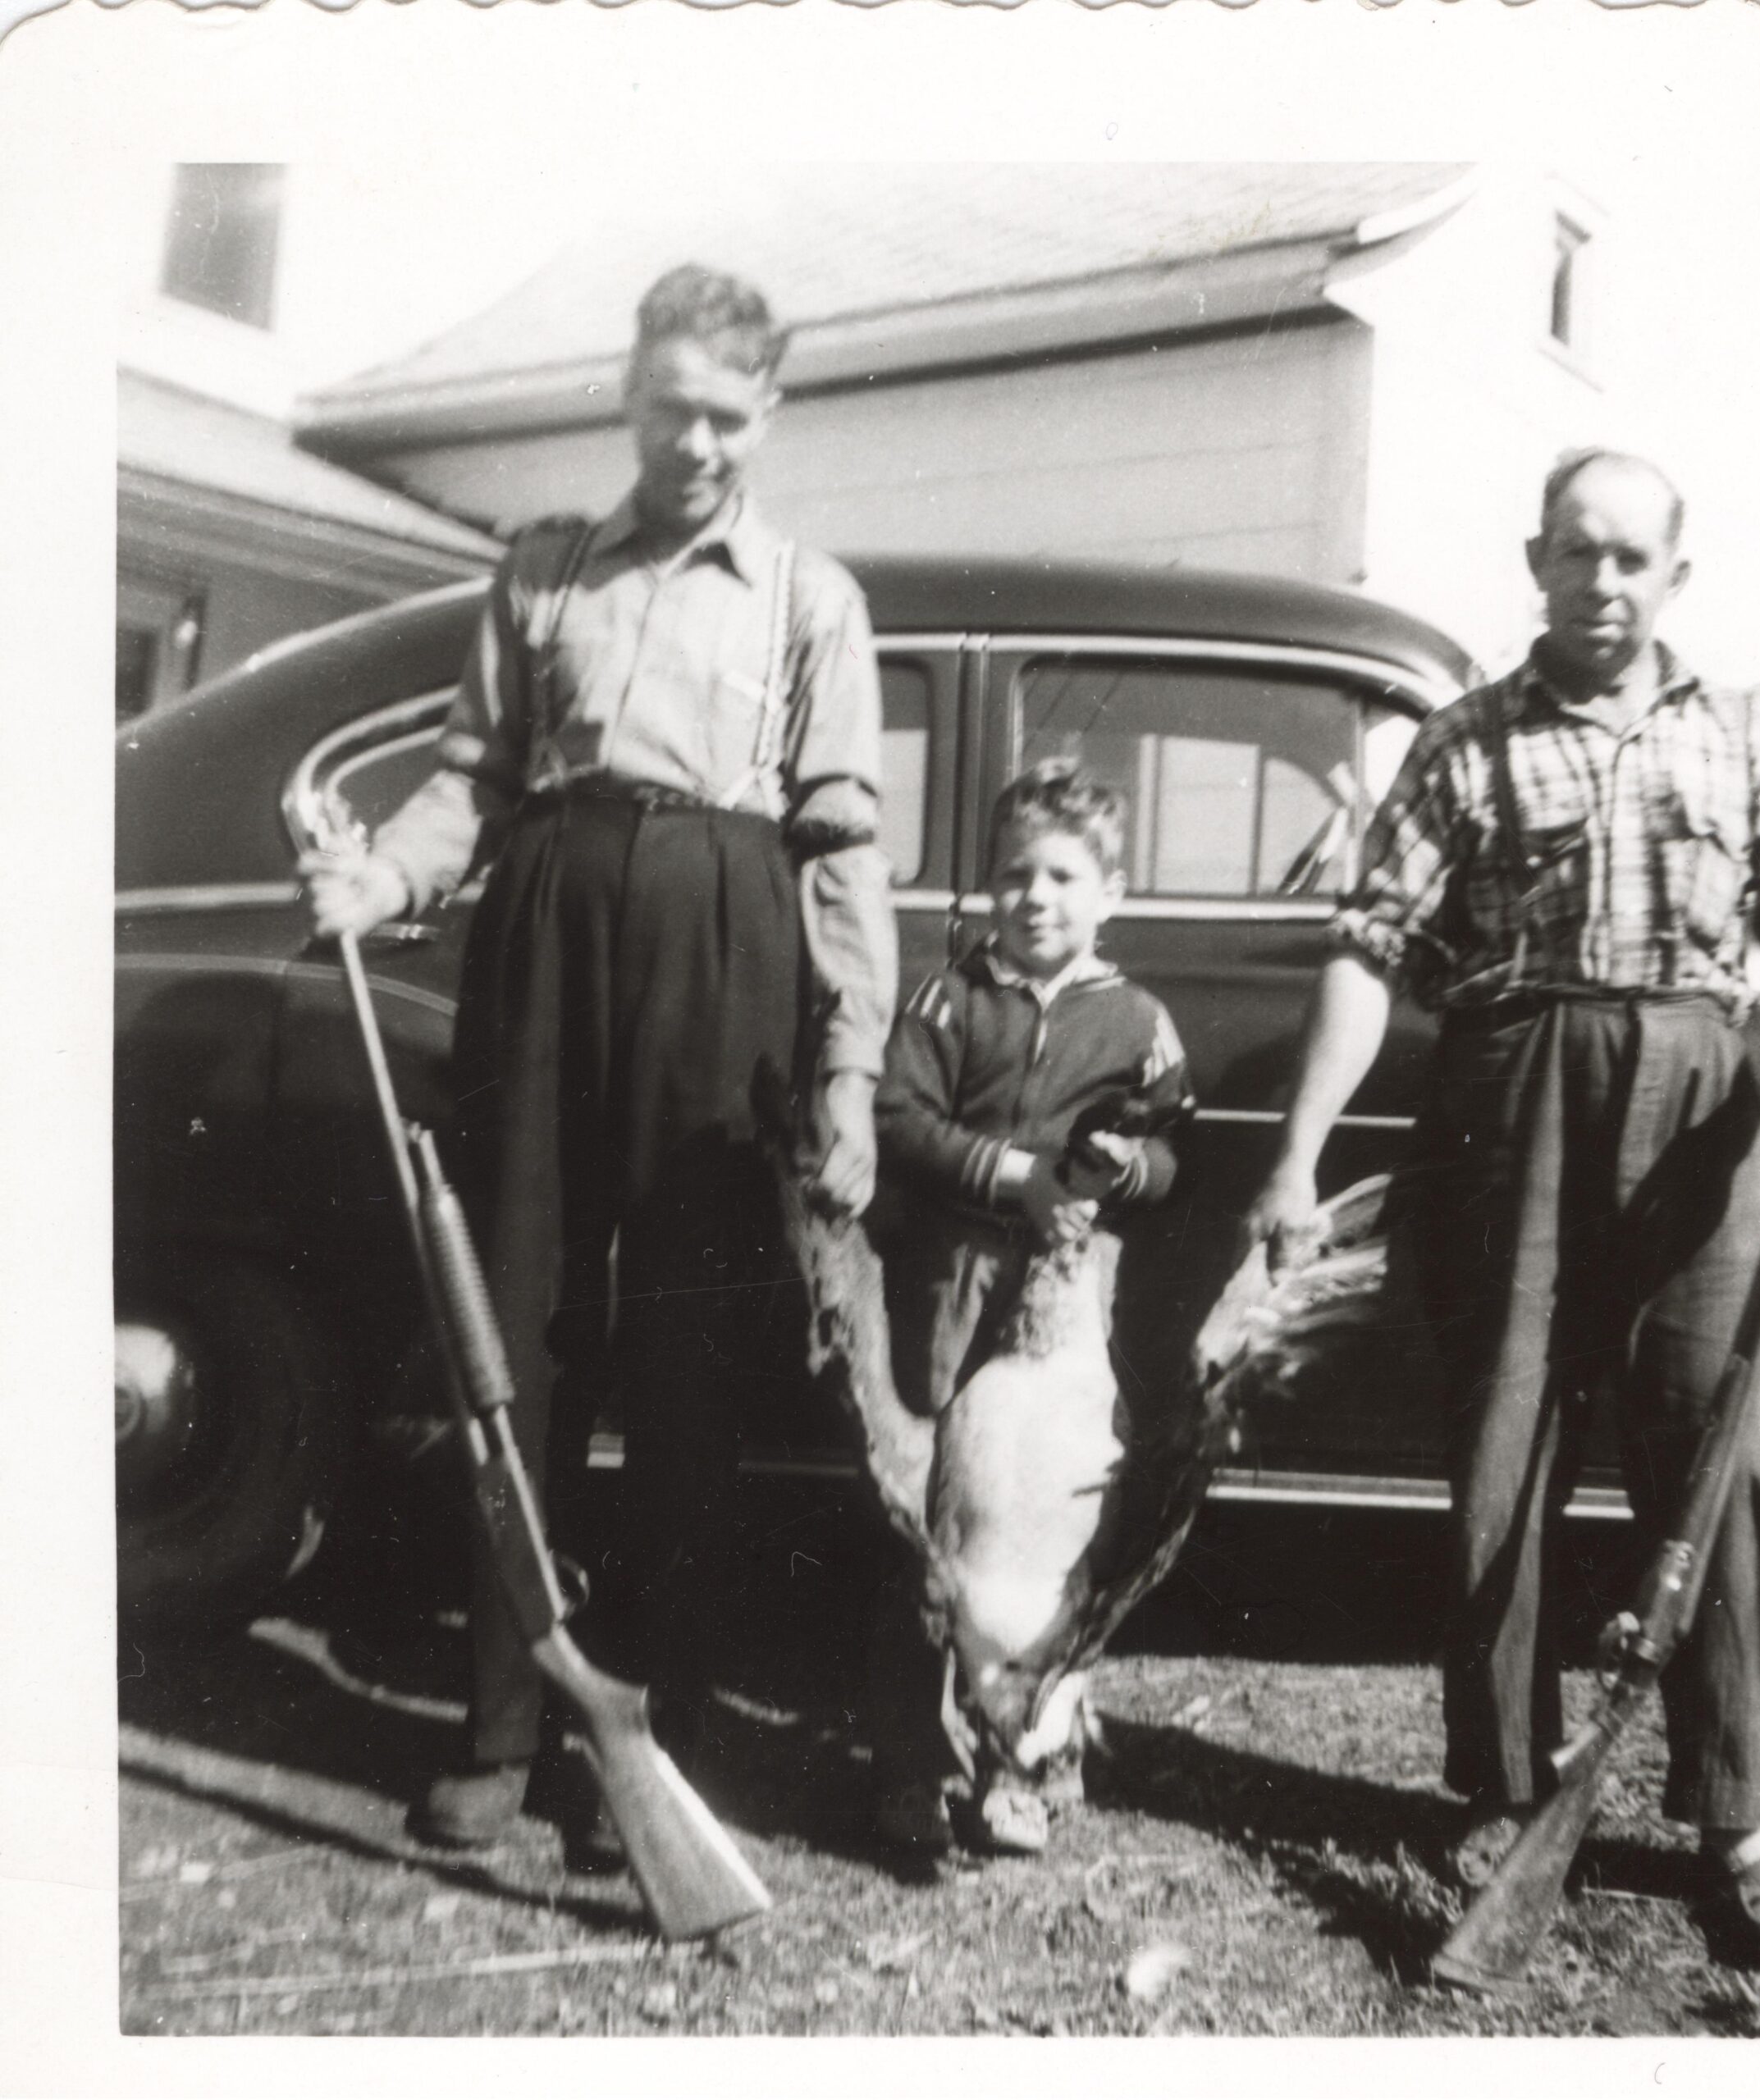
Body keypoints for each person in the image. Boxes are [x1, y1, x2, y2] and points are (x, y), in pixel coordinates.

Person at [1240, 449, 1760, 1969]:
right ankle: (1505, 1787)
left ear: (1677, 574)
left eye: (1632, 559)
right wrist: (1297, 1151)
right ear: (1536, 560)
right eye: (1576, 554)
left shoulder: (1742, 734)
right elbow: (1368, 945)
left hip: (1701, 1103)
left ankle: (1743, 1816)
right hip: (1511, 1093)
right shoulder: (1466, 742)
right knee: (1502, 1443)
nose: (1602, 583)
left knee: (1723, 1448)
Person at [304, 265, 897, 1860]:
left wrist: (846, 1068)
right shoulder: (543, 571)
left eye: (722, 413)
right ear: (623, 401)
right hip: (546, 941)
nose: (691, 442)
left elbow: (839, 848)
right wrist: (385, 877)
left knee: (690, 1364)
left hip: (727, 949)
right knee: (521, 1343)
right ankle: (501, 1726)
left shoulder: (808, 600)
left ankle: (663, 1737)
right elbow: (467, 779)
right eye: (663, 408)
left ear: (767, 413)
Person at [867, 761, 1194, 1857]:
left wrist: (1123, 1170)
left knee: (1056, 1527)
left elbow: (1170, 1151)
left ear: (1111, 891)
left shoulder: (1140, 1021)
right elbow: (899, 1121)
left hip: (1068, 1298)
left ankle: (1031, 1762)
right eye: (1014, 875)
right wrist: (1014, 1174)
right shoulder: (947, 1000)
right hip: (955, 1281)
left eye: (1063, 875)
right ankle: (911, 1760)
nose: (1035, 896)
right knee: (930, 1518)